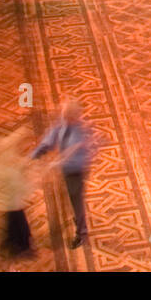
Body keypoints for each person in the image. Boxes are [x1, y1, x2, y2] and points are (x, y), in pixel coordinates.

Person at [32, 100, 95, 250]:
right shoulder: (64, 122)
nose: (62, 117)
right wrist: (39, 151)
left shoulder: (80, 134)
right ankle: (76, 221)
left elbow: (77, 161)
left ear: (72, 117)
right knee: (68, 198)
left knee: (76, 202)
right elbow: (53, 135)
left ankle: (81, 233)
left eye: (65, 115)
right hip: (66, 171)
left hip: (75, 173)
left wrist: (57, 164)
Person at [0, 129, 36, 265]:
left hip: (1, 203)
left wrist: (23, 131)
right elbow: (20, 183)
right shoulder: (6, 172)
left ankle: (13, 243)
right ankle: (23, 246)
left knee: (12, 224)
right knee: (18, 224)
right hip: (11, 203)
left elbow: (10, 140)